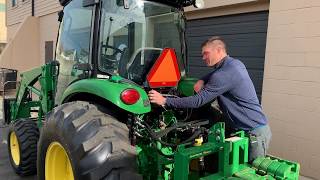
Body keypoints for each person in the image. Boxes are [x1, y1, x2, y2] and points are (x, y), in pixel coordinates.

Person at [148, 36, 271, 161]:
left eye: (206, 54)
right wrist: (202, 79)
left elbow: (197, 101)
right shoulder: (235, 64)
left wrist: (165, 100)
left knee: (248, 172)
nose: (203, 58)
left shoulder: (222, 75)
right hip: (246, 130)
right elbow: (215, 73)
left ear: (218, 50)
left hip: (253, 134)